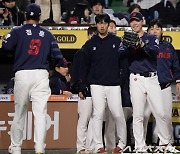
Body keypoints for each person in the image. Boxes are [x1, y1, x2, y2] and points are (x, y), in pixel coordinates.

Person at [2, 3, 63, 154]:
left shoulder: (17, 31)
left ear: (25, 16)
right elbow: (58, 57)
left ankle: (16, 148)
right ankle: (39, 148)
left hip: (22, 73)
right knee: (40, 113)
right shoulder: (47, 34)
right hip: (40, 75)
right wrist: (50, 67)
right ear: (39, 16)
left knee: (20, 113)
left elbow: (6, 47)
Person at [119, 11, 180, 153]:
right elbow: (120, 54)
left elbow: (154, 52)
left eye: (137, 21)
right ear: (130, 23)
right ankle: (140, 146)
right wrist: (130, 46)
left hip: (153, 78)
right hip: (136, 79)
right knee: (139, 114)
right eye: (132, 21)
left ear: (142, 23)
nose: (134, 23)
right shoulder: (126, 39)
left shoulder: (151, 38)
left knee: (160, 112)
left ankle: (165, 144)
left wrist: (141, 45)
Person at [80, 13, 127, 153]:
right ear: (96, 25)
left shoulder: (117, 41)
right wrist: (83, 84)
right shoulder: (89, 44)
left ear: (108, 25)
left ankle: (122, 143)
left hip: (113, 84)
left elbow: (124, 63)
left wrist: (123, 80)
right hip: (96, 84)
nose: (102, 25)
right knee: (98, 113)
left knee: (117, 113)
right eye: (99, 23)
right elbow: (84, 66)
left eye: (104, 23)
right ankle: (98, 145)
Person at [143, 19, 180, 146]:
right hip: (147, 86)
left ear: (161, 31)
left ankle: (168, 144)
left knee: (166, 117)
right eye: (152, 29)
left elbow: (175, 66)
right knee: (144, 116)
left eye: (157, 29)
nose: (154, 31)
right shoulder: (144, 46)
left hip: (164, 86)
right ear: (147, 31)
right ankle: (141, 144)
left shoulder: (168, 47)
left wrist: (178, 81)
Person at [104, 20, 133, 152]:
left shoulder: (121, 44)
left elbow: (126, 66)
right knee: (109, 118)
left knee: (119, 115)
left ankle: (122, 143)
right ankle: (110, 146)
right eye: (110, 27)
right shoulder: (101, 44)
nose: (112, 29)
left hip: (122, 86)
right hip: (107, 85)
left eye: (114, 27)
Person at [71, 26, 97, 153]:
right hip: (84, 91)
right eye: (91, 35)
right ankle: (80, 146)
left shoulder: (98, 52)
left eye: (95, 35)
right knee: (83, 120)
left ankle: (90, 146)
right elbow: (76, 73)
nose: (93, 37)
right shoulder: (81, 52)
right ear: (88, 36)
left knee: (94, 120)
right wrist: (80, 88)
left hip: (96, 89)